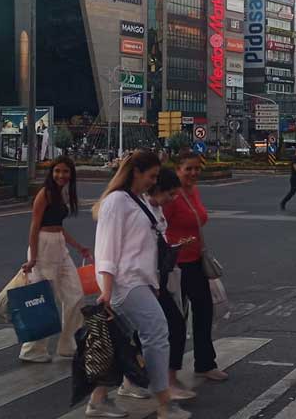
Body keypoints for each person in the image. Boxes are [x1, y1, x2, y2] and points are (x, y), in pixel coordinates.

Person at [89, 151, 191, 419]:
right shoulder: (116, 202)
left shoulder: (138, 200)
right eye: (151, 176)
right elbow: (107, 250)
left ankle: (98, 400)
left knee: (119, 343)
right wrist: (107, 292)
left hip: (139, 282)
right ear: (136, 172)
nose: (153, 182)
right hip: (123, 283)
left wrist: (153, 283)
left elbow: (144, 247)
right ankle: (164, 403)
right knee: (157, 333)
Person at [165, 153, 229, 382]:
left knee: (204, 311)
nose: (193, 174)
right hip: (176, 265)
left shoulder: (194, 191)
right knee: (176, 321)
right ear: (177, 169)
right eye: (188, 169)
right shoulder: (171, 196)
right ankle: (169, 371)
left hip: (195, 261)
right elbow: (160, 228)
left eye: (196, 169)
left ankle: (204, 363)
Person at [19, 156, 89, 363]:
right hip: (43, 246)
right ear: (51, 173)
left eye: (65, 171)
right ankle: (33, 350)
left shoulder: (61, 193)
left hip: (59, 244)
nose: (61, 175)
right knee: (42, 299)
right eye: (57, 171)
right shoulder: (45, 193)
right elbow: (35, 226)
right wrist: (33, 258)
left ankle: (69, 344)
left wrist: (79, 247)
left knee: (75, 294)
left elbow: (58, 226)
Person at [145, 167, 198, 403]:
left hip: (157, 279)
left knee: (141, 335)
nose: (172, 199)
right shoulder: (141, 209)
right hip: (143, 282)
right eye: (170, 194)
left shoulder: (155, 210)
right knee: (173, 327)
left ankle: (134, 381)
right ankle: (166, 382)